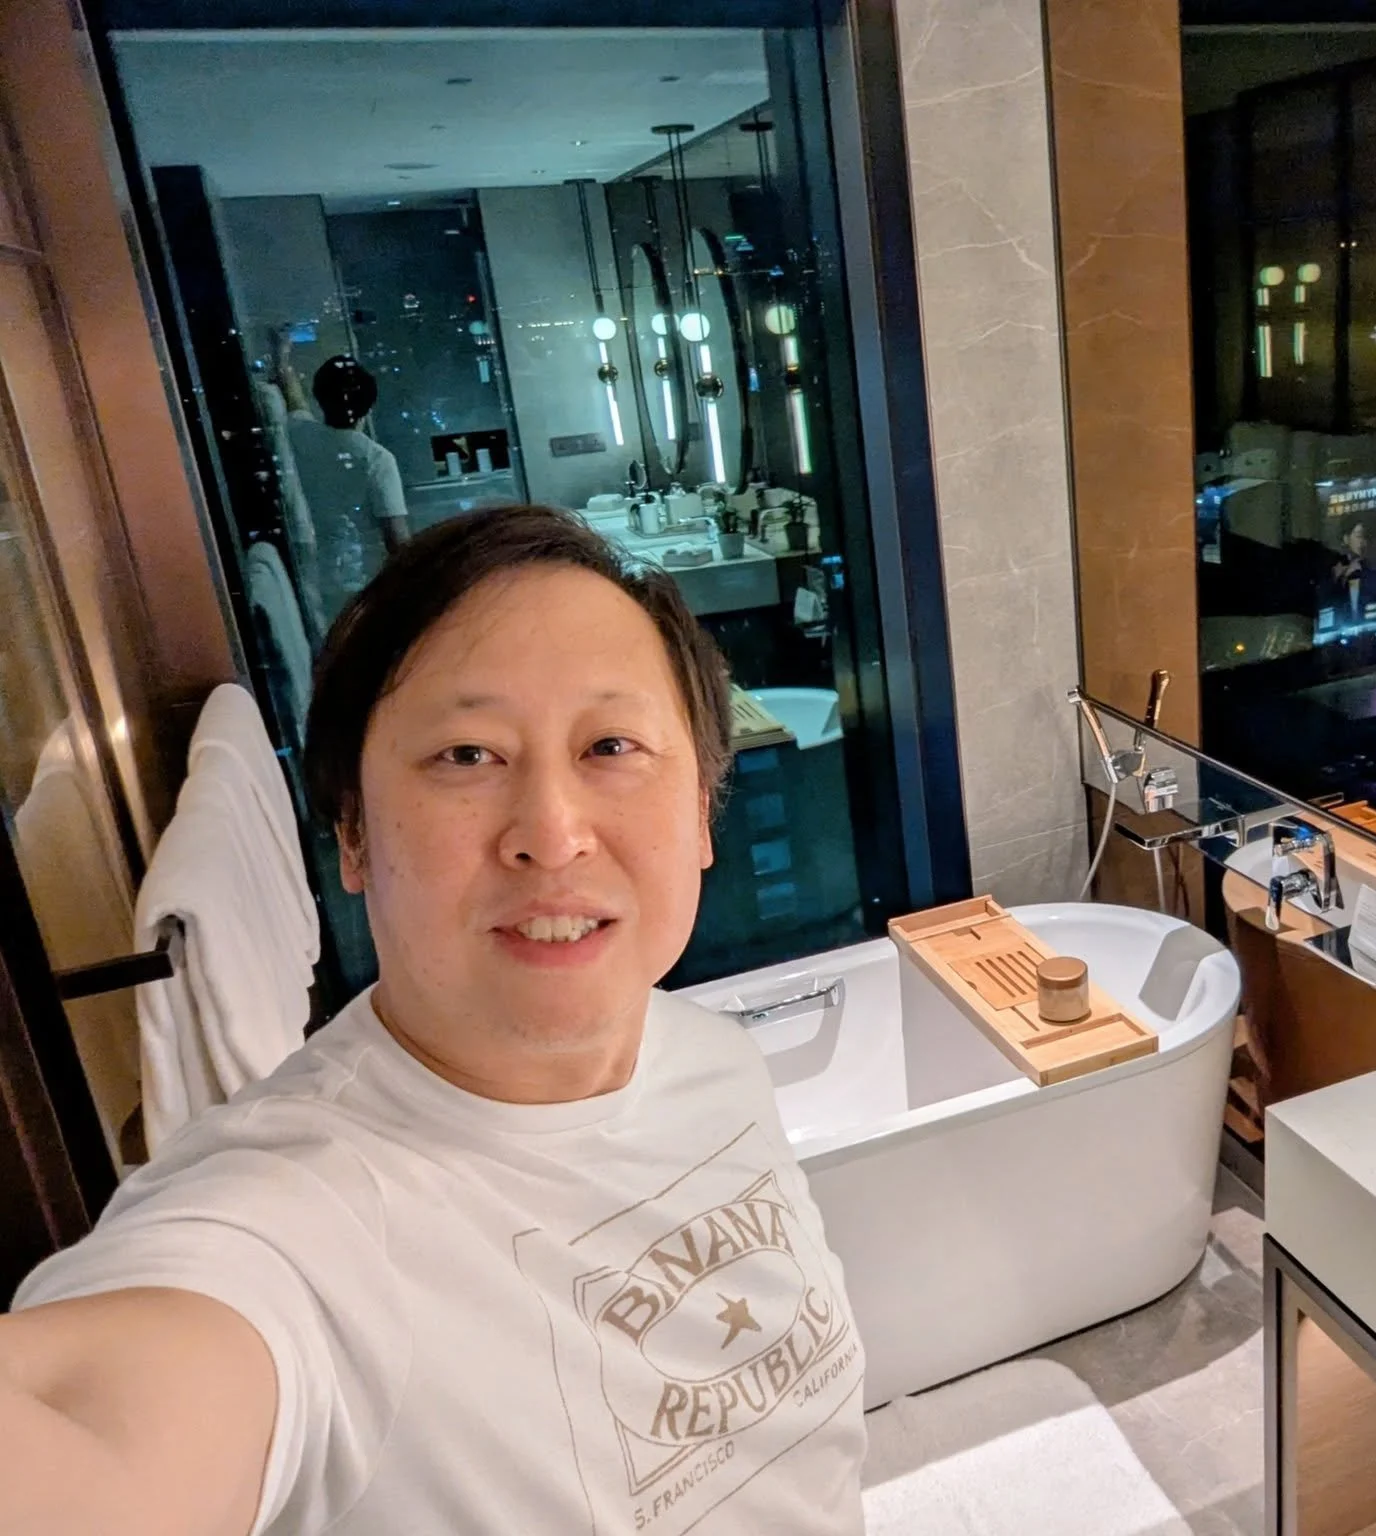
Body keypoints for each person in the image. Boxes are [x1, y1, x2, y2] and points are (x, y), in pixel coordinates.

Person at [0, 507, 867, 1535]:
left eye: (611, 745)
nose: (552, 834)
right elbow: (107, 1441)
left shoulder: (715, 1058)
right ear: (353, 836)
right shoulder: (300, 1226)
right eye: (466, 754)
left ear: (702, 815)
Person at [277, 343, 412, 625]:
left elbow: (294, 400)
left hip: (312, 579)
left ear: (320, 397)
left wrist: (282, 355)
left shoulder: (300, 435)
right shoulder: (377, 459)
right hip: (363, 585)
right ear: (370, 404)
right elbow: (397, 541)